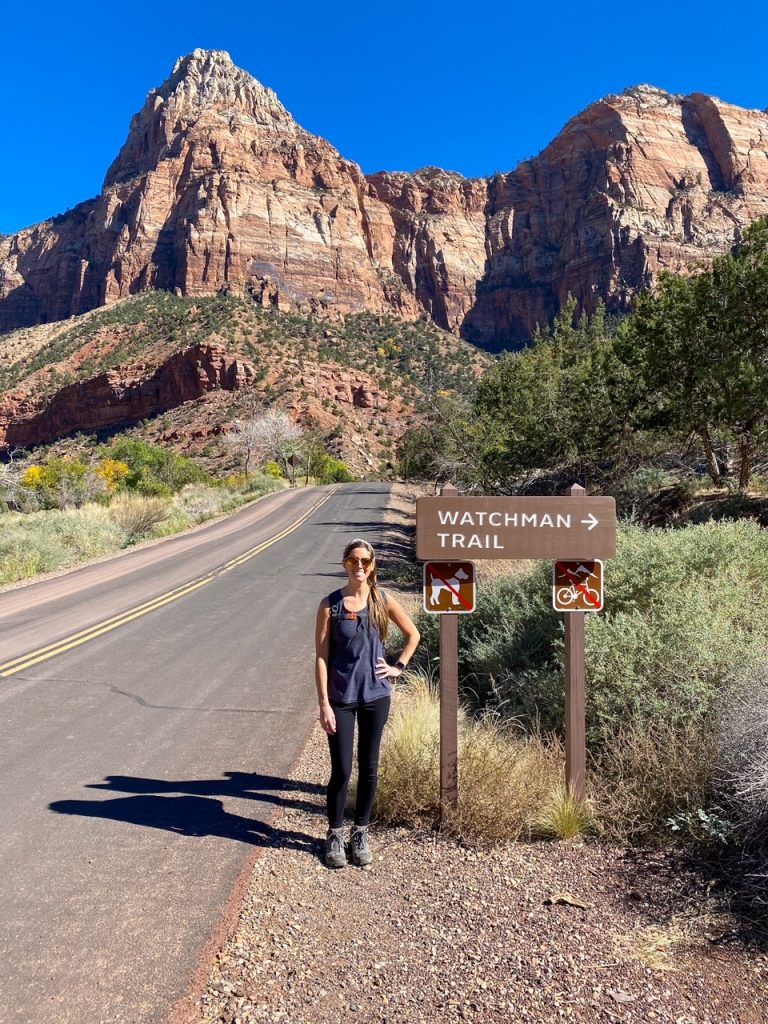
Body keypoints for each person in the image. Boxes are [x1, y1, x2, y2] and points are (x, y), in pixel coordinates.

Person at [314, 538, 420, 868]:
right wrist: (323, 704)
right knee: (342, 769)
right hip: (341, 698)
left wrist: (397, 667)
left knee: (369, 768)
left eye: (365, 561)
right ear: (345, 563)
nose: (359, 566)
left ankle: (360, 833)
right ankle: (334, 835)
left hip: (376, 695)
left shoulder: (382, 599)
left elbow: (413, 635)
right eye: (353, 560)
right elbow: (321, 657)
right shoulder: (330, 604)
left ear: (372, 565)